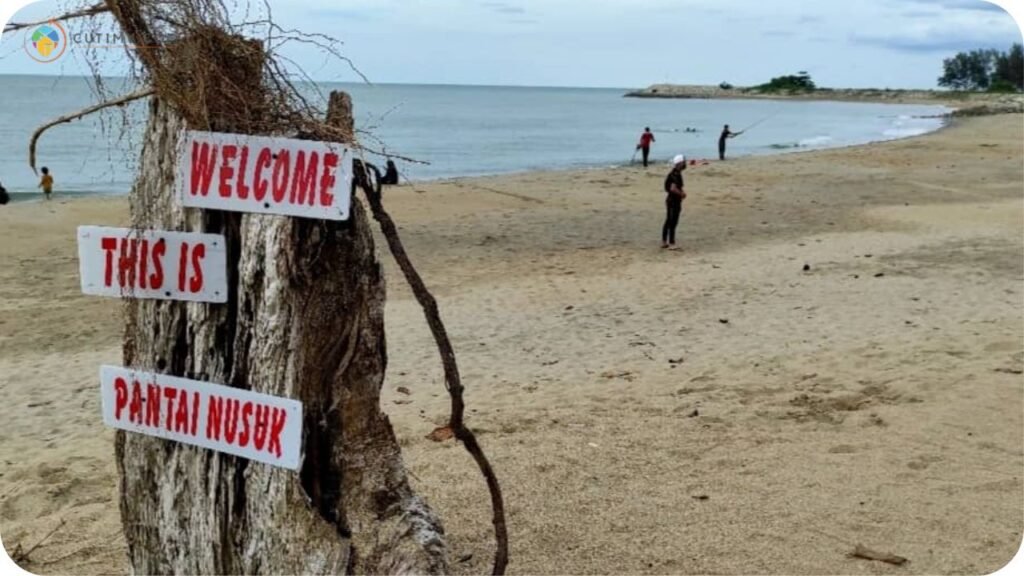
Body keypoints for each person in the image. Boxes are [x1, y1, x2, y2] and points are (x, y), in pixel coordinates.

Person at [662, 154, 687, 250]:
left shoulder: (674, 173)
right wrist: (681, 194)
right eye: (683, 162)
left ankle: (664, 241)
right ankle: (671, 243)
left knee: (668, 220)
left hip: (671, 200)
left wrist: (682, 191)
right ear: (679, 163)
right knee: (673, 222)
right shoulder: (675, 174)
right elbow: (673, 188)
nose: (685, 163)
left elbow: (675, 187)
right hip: (673, 201)